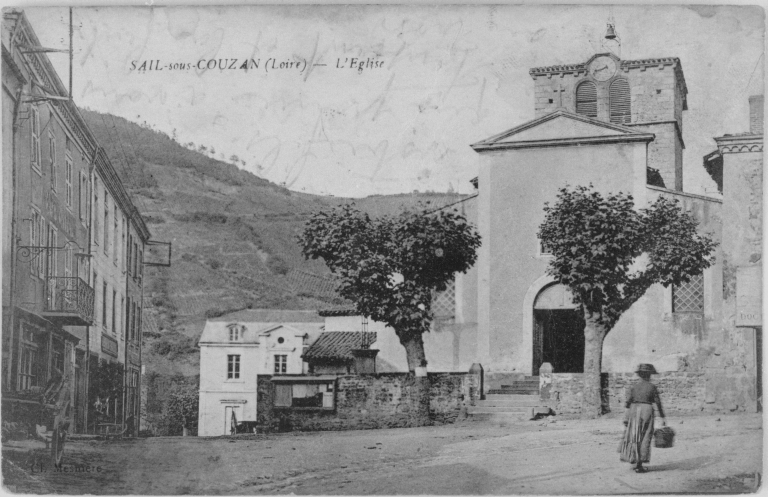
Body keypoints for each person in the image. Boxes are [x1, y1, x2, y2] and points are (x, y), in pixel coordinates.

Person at [619, 363, 666, 473]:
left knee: (634, 435)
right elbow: (658, 403)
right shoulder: (652, 387)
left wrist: (627, 414)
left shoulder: (634, 387)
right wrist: (662, 417)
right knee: (645, 435)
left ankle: (633, 460)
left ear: (639, 375)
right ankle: (639, 464)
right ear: (650, 375)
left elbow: (627, 402)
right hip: (647, 410)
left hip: (634, 409)